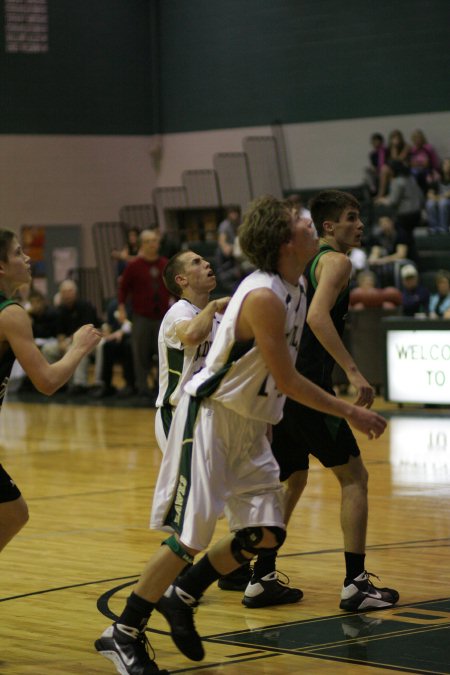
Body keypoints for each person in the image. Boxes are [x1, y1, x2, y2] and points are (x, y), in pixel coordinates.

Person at [95, 195, 387, 675]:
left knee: (265, 532)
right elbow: (289, 380)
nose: (313, 228)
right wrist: (349, 412)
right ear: (285, 240)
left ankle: (183, 595)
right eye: (303, 224)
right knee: (190, 538)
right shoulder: (266, 297)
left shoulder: (292, 288)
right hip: (211, 419)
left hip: (252, 422)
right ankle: (123, 632)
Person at [245, 190, 399, 613]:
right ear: (329, 227)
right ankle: (356, 584)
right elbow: (316, 317)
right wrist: (352, 371)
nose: (360, 224)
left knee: (293, 478)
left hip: (284, 393)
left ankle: (261, 577)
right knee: (355, 478)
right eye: (352, 217)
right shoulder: (336, 261)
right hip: (310, 390)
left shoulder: (301, 268)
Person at [0, 229, 101, 557]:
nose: (27, 258)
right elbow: (46, 381)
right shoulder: (11, 313)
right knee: (15, 513)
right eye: (17, 253)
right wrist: (77, 348)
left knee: (14, 514)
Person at [155, 249, 229, 454]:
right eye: (197, 262)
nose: (207, 264)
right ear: (182, 279)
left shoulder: (220, 317)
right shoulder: (179, 311)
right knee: (186, 485)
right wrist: (214, 305)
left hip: (212, 413)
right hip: (178, 414)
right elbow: (191, 335)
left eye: (205, 259)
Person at [118, 229, 170, 399]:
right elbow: (123, 290)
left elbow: (174, 288)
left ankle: (162, 387)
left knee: (164, 354)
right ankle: (143, 389)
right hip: (141, 317)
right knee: (140, 354)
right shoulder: (133, 266)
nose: (152, 244)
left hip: (162, 317)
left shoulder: (165, 264)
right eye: (148, 241)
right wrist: (121, 308)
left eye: (155, 240)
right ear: (141, 244)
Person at [41, 279, 102, 394]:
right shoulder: (60, 309)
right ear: (60, 294)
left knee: (76, 349)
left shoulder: (85, 306)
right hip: (68, 341)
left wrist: (68, 341)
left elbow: (88, 329)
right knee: (48, 349)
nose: (67, 294)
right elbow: (59, 332)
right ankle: (55, 383)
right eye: (64, 292)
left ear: (75, 292)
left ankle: (79, 384)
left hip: (89, 340)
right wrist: (61, 342)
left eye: (70, 291)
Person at [215, 205, 242, 293]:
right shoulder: (225, 225)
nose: (234, 216)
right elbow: (223, 244)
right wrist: (231, 247)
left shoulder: (241, 223)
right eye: (231, 213)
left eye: (235, 213)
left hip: (238, 254)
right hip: (228, 259)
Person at [426, 158, 450, 234]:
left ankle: (443, 228)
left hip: (446, 201)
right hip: (439, 200)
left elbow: (448, 194)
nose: (447, 166)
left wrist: (439, 198)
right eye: (445, 164)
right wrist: (434, 197)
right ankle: (433, 228)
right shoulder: (438, 180)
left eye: (448, 164)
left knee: (443, 203)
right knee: (430, 203)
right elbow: (429, 193)